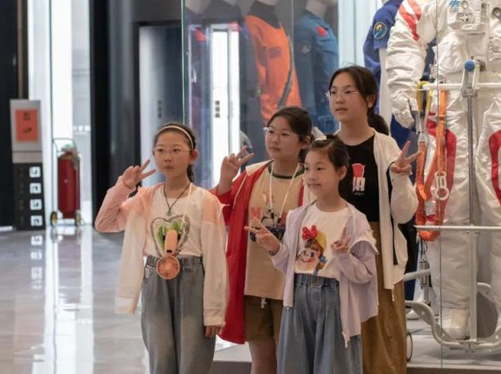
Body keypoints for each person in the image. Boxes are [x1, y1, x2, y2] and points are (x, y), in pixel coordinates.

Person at [95, 122, 228, 374]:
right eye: (161, 150)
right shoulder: (144, 198)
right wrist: (124, 187)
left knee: (193, 361)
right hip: (156, 279)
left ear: (192, 156)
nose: (168, 157)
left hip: (194, 281)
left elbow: (215, 261)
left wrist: (214, 312)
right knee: (161, 359)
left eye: (176, 150)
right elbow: (104, 223)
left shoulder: (206, 201)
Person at [248, 137, 378, 374]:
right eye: (307, 169)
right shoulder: (298, 216)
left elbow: (366, 274)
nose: (311, 176)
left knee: (334, 366)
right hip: (297, 298)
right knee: (294, 365)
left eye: (320, 168)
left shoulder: (354, 220)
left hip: (334, 300)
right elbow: (289, 265)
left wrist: (344, 257)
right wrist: (274, 247)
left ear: (341, 172)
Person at [328, 65, 418, 374]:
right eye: (333, 92)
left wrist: (401, 179)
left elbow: (404, 214)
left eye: (347, 92)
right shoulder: (326, 148)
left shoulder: (386, 146)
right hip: (333, 246)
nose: (339, 99)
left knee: (380, 336)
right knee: (338, 335)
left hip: (376, 250)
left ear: (370, 100)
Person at [212, 106, 314, 374]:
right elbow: (219, 214)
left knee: (291, 362)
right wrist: (225, 181)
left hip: (291, 286)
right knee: (261, 362)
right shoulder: (251, 175)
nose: (274, 140)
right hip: (253, 284)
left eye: (284, 134)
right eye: (270, 132)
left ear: (304, 142)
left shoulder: (311, 181)